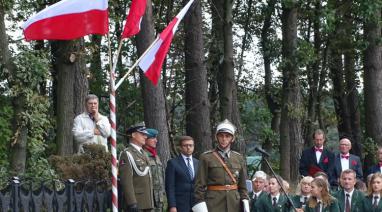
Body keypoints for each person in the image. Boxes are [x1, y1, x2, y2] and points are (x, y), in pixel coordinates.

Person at [193, 119, 249, 212]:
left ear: (233, 138)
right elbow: (199, 187)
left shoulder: (238, 158)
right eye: (221, 136)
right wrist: (201, 207)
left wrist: (245, 203)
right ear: (216, 137)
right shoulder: (206, 157)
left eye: (227, 136)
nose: (224, 139)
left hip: (234, 204)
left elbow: (243, 186)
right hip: (214, 204)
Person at [119, 123, 154, 212]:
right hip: (137, 203)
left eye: (145, 135)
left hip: (147, 202)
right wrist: (132, 203)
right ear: (133, 135)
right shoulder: (127, 154)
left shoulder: (143, 153)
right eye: (142, 134)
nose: (145, 137)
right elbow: (126, 181)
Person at [165, 136, 199, 212]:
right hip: (180, 205)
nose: (188, 147)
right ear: (180, 147)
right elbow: (170, 187)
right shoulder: (173, 163)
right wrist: (172, 206)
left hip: (196, 205)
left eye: (191, 145)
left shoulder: (197, 163)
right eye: (185, 145)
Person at [143, 128, 166, 212]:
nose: (156, 140)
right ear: (145, 139)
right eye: (153, 138)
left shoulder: (156, 157)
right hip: (148, 200)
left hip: (159, 201)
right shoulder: (142, 155)